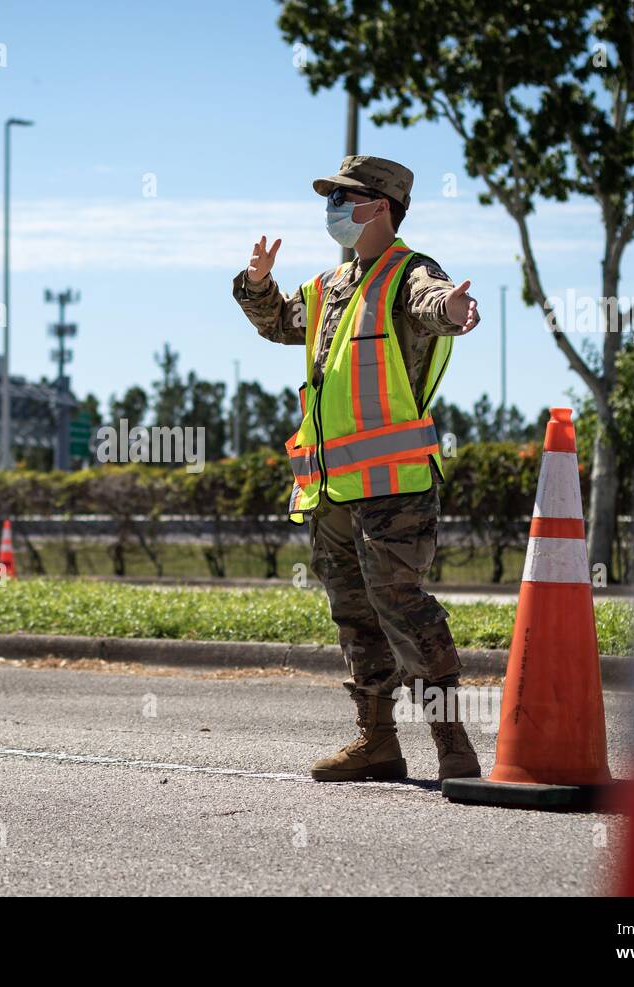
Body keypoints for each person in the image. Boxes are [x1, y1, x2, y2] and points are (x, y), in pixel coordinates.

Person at [232, 155, 482, 782]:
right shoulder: (329, 287)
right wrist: (258, 284)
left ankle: (453, 745)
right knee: (355, 615)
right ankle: (377, 743)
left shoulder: (411, 273)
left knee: (403, 608)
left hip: (395, 486)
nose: (333, 211)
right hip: (330, 487)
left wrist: (451, 312)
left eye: (345, 199)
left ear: (382, 207)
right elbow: (279, 325)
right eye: (331, 199)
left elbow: (434, 306)